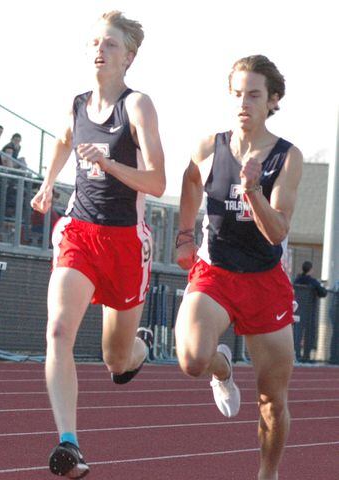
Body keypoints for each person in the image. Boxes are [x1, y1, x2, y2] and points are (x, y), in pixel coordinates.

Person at [30, 10, 165, 478]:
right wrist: (48, 183)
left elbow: (159, 180)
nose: (99, 50)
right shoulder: (77, 104)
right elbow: (65, 140)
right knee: (58, 332)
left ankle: (139, 349)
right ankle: (69, 444)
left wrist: (110, 167)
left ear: (128, 56)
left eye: (109, 44)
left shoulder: (138, 106)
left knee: (116, 359)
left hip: (126, 241)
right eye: (94, 43)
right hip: (79, 231)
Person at [175, 55, 302, 480]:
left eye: (253, 95)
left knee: (272, 401)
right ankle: (222, 369)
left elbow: (277, 230)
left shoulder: (287, 157)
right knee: (192, 359)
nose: (243, 103)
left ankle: (268, 475)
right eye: (237, 94)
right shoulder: (209, 146)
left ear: (272, 101)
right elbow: (191, 182)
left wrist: (252, 191)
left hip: (264, 281)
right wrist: (185, 236)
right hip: (216, 272)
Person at [294, 261, 327, 361]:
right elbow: (323, 293)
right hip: (309, 311)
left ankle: (297, 354)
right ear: (310, 270)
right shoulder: (312, 281)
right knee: (309, 333)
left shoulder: (297, 279)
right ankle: (306, 356)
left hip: (298, 310)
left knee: (297, 332)